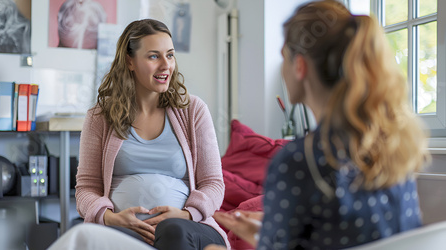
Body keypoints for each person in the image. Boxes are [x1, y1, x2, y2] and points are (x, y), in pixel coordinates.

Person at [206, 0, 430, 249]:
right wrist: (269, 234)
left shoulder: (298, 160)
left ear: (299, 66)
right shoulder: (395, 147)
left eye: (283, 58)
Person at [75, 19, 229, 250]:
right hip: (121, 233)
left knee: (172, 230)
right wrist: (110, 217)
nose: (166, 65)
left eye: (170, 55)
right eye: (154, 56)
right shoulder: (100, 116)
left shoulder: (193, 110)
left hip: (190, 230)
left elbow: (213, 184)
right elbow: (86, 188)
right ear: (130, 61)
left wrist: (186, 214)